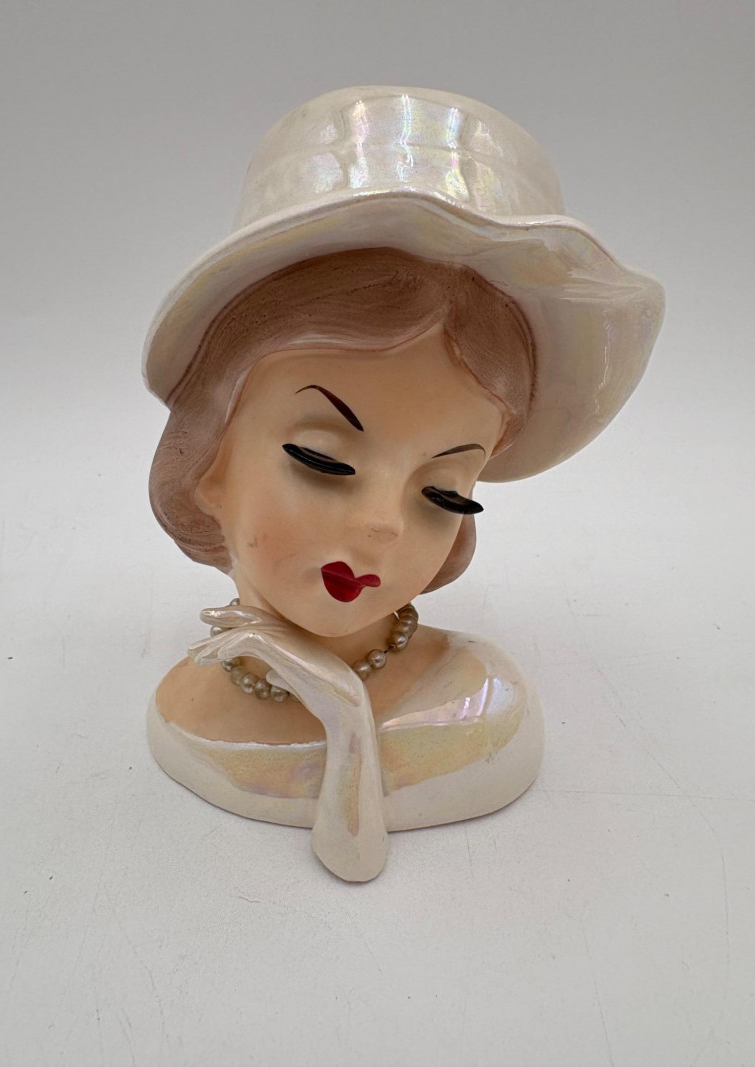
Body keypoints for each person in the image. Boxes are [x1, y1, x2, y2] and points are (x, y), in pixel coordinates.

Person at [142, 87, 664, 881]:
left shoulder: (478, 704)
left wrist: (345, 713)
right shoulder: (188, 708)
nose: (384, 523)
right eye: (324, 460)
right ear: (210, 461)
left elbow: (356, 859)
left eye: (443, 491)